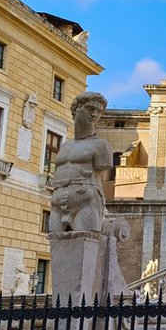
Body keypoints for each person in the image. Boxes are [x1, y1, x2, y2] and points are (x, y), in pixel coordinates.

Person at [50, 92, 113, 232]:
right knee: (56, 244)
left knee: (85, 243)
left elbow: (103, 167)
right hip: (57, 202)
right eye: (90, 109)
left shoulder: (101, 145)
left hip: (86, 201)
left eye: (99, 112)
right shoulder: (65, 146)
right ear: (76, 110)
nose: (95, 114)